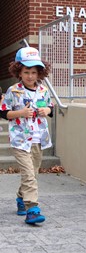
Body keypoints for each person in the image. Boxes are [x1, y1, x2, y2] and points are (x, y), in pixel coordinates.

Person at [0, 46, 53, 225]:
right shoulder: (13, 91)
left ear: (40, 73)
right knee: (29, 174)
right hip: (20, 140)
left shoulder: (43, 91)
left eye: (33, 72)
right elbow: (4, 112)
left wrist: (46, 110)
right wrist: (21, 113)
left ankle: (21, 198)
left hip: (39, 139)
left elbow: (50, 108)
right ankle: (32, 209)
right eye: (26, 72)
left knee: (34, 172)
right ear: (19, 72)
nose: (30, 76)